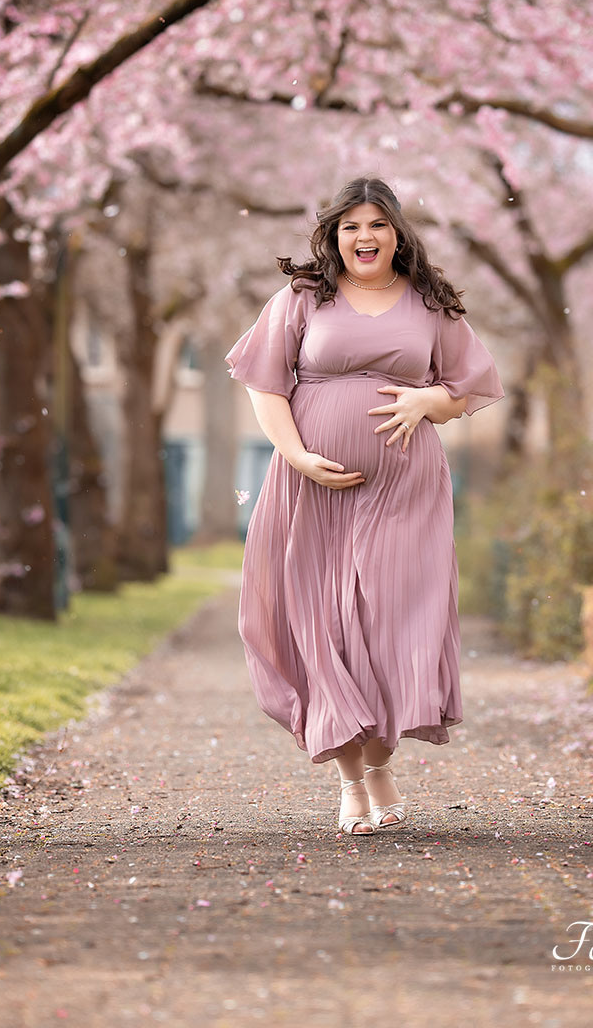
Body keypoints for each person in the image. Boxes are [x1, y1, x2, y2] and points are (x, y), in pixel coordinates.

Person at [224, 176, 504, 835]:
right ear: (334, 235)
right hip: (311, 488)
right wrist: (297, 455)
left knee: (393, 626)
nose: (364, 236)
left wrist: (426, 400)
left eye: (377, 224)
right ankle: (353, 780)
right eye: (350, 226)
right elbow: (265, 386)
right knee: (326, 627)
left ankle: (380, 762)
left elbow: (466, 388)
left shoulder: (428, 303)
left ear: (397, 234)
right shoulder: (303, 299)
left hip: (406, 491)